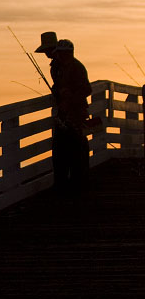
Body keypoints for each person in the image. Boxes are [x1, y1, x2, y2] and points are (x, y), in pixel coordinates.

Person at [50, 39, 91, 193]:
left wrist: (70, 99)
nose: (60, 55)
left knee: (76, 149)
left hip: (75, 115)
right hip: (66, 114)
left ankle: (77, 184)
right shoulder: (61, 68)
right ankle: (68, 184)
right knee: (65, 149)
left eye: (62, 53)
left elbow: (87, 89)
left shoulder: (77, 68)